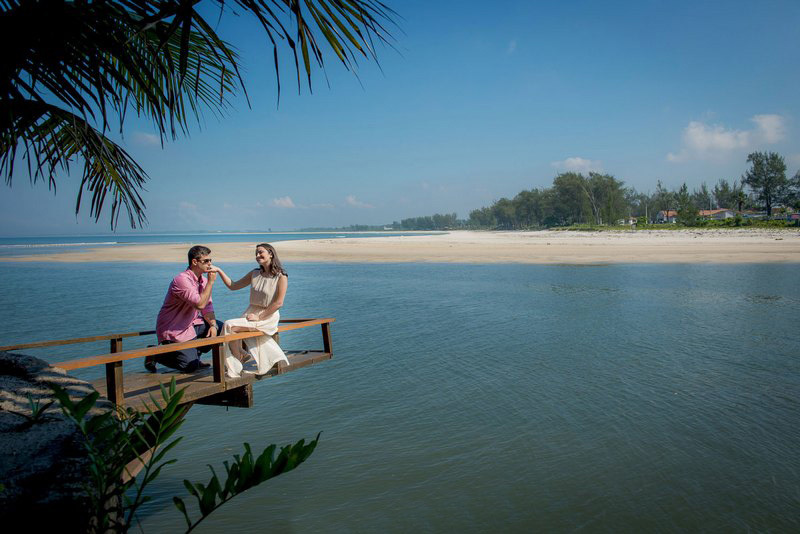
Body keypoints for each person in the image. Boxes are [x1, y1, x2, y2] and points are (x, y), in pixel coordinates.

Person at [213, 243, 289, 378]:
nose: (257, 255)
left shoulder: (281, 276)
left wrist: (260, 317)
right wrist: (219, 271)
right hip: (251, 313)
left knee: (229, 325)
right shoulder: (254, 273)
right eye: (256, 253)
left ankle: (238, 359)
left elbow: (279, 303)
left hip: (267, 316)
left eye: (261, 252)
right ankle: (239, 356)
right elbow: (233, 286)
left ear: (270, 254)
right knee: (230, 328)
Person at [147, 245, 223, 373]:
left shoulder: (203, 281)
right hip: (174, 328)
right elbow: (199, 305)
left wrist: (213, 326)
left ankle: (195, 355)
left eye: (211, 260)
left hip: (193, 323)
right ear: (194, 262)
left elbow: (207, 306)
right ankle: (154, 354)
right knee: (189, 366)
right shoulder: (181, 280)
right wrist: (211, 283)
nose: (210, 264)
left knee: (222, 328)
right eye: (206, 261)